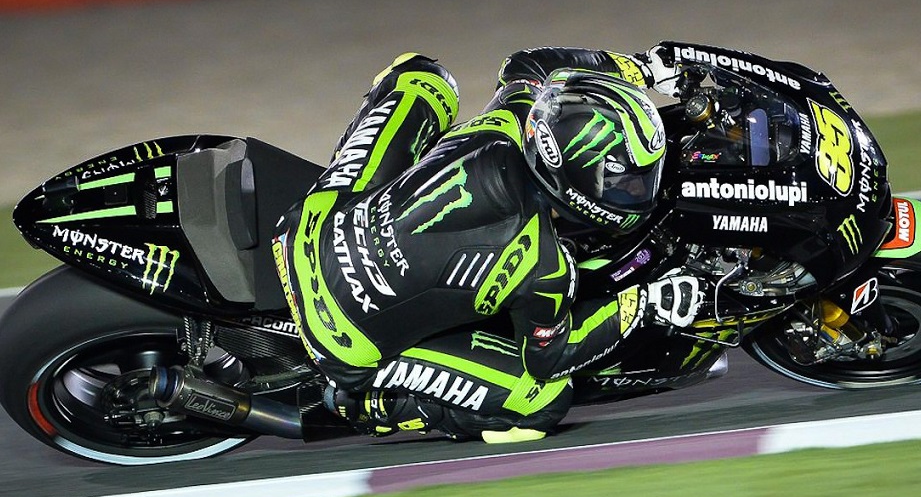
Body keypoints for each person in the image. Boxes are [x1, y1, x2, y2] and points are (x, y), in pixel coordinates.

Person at [273, 46, 703, 443]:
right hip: (339, 334)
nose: (637, 190)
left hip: (312, 224)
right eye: (624, 181)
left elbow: (528, 64)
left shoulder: (514, 116)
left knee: (423, 76)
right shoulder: (543, 267)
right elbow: (549, 358)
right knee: (543, 401)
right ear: (574, 176)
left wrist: (641, 68)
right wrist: (643, 305)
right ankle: (377, 402)